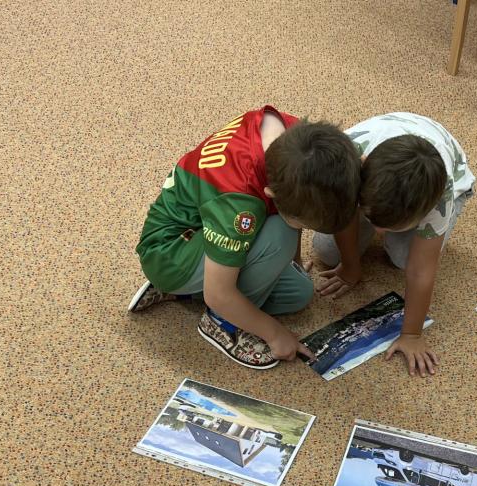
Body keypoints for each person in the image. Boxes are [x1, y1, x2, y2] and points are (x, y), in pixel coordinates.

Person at [130, 106, 360, 369]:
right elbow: (219, 294)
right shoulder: (238, 203)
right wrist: (275, 334)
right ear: (271, 194)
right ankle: (221, 322)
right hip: (168, 253)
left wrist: (295, 261)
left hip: (203, 235)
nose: (303, 230)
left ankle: (187, 292)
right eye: (304, 225)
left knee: (299, 293)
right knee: (281, 234)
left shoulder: (300, 144)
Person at [310, 112, 475, 378]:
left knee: (403, 259)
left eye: (388, 228)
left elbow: (421, 271)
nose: (378, 232)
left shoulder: (439, 197)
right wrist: (350, 267)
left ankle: (396, 223)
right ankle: (382, 218)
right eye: (373, 221)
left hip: (449, 171)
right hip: (383, 158)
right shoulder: (348, 163)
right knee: (326, 251)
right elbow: (345, 214)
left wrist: (411, 334)